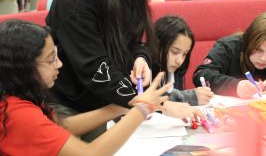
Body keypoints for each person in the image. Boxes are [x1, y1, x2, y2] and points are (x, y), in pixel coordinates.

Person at [46, 0, 199, 141]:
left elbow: (132, 40)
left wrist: (140, 57)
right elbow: (96, 70)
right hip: (73, 106)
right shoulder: (73, 0)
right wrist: (158, 104)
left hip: (107, 99)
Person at [0, 19, 170, 155]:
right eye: (51, 59)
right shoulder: (18, 115)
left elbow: (63, 126)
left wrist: (121, 107)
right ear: (24, 67)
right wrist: (142, 109)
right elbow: (91, 153)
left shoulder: (18, 99)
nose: (59, 64)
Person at [193, 10, 266, 98]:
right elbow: (201, 74)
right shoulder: (228, 47)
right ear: (247, 41)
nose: (264, 59)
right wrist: (236, 86)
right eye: (258, 50)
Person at [153, 15, 214, 106]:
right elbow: (151, 99)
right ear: (158, 45)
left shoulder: (176, 69)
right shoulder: (144, 66)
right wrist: (191, 97)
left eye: (185, 54)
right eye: (175, 52)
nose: (179, 61)